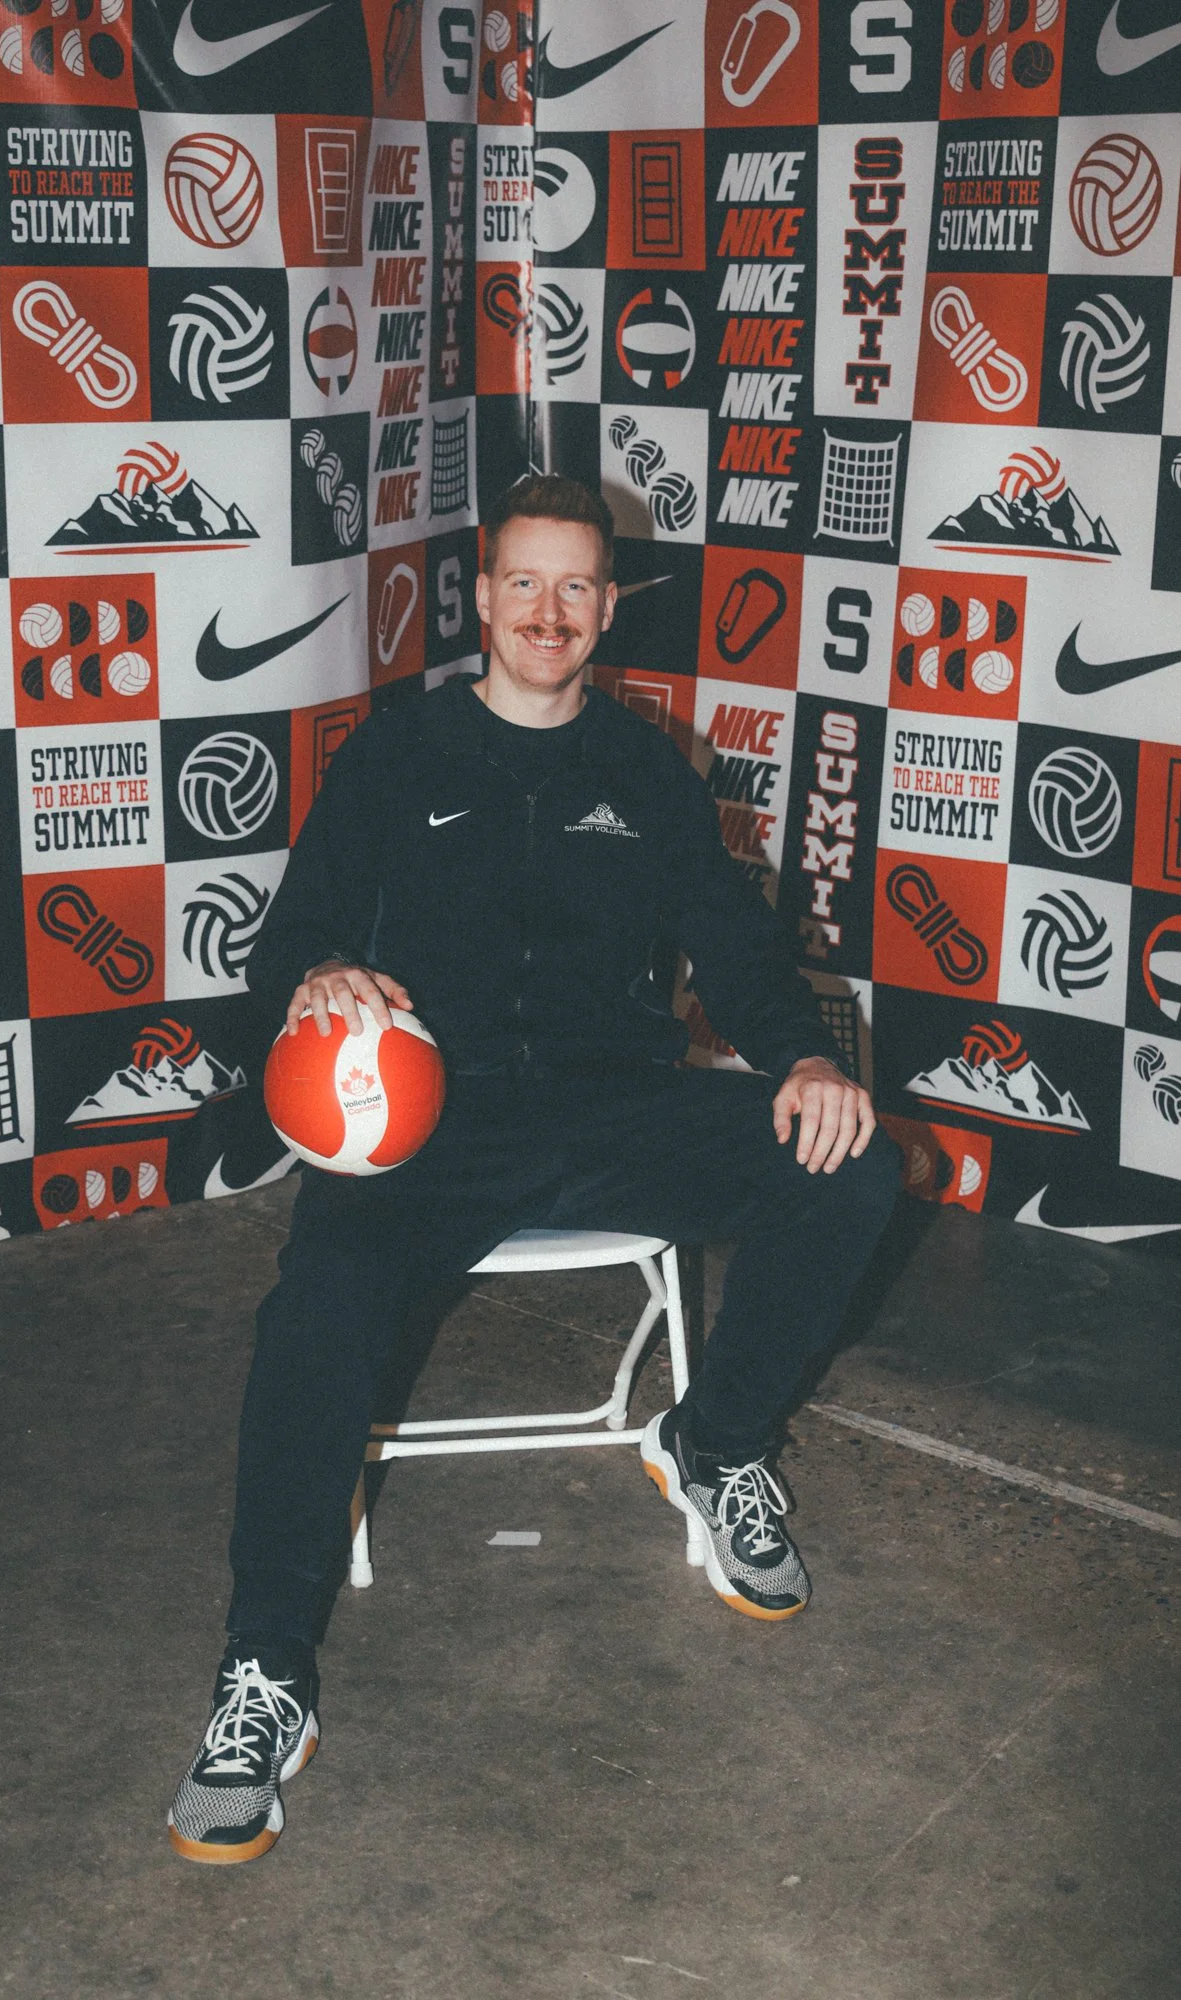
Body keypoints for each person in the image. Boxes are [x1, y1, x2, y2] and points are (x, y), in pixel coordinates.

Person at [167, 474, 900, 1864]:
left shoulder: (645, 771)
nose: (548, 614)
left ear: (608, 606)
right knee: (316, 1311)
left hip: (612, 1113)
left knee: (852, 1167)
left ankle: (714, 1442)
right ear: (481, 595)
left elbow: (736, 952)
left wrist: (803, 1056)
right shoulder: (396, 755)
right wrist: (317, 974)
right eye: (522, 584)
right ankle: (264, 1674)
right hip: (426, 1135)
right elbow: (288, 942)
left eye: (577, 588)